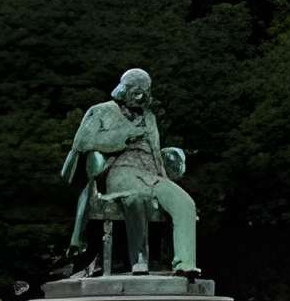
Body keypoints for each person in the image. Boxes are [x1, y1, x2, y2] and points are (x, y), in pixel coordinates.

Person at [60, 67, 201, 276]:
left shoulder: (150, 117)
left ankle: (185, 265)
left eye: (144, 92)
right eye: (136, 92)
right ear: (124, 90)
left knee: (185, 203)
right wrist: (123, 136)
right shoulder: (101, 111)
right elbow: (82, 142)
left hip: (152, 174)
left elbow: (155, 151)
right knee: (136, 198)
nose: (141, 97)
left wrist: (164, 175)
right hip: (121, 172)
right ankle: (139, 260)